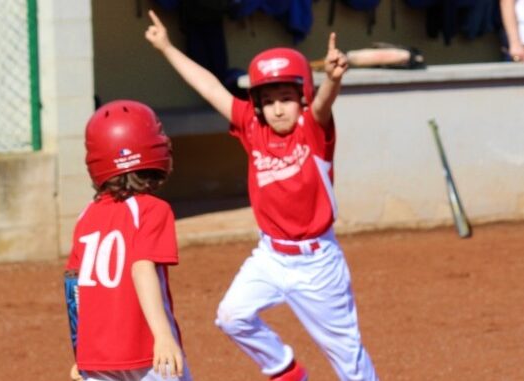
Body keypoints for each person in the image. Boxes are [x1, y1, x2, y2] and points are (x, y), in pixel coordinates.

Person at [145, 10, 378, 381]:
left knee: (347, 356)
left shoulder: (311, 131)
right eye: (268, 101)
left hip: (317, 265)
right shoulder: (253, 128)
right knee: (231, 315)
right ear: (257, 105)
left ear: (302, 98)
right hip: (270, 256)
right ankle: (284, 369)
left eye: (286, 97)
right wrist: (166, 47)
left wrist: (332, 80)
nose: (277, 108)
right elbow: (209, 88)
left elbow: (322, 105)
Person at [64, 99, 192, 381]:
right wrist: (163, 336)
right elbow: (141, 267)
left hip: (97, 360)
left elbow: (74, 286)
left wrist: (80, 353)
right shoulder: (151, 209)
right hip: (147, 355)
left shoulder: (86, 215)